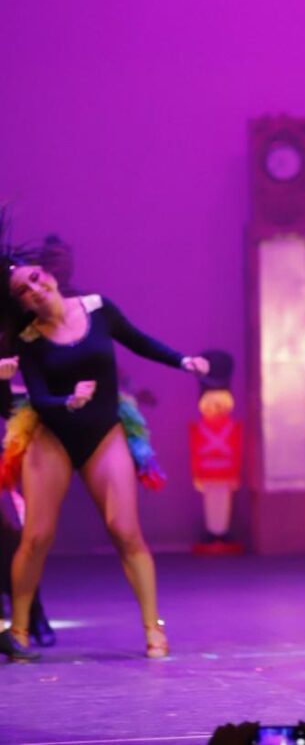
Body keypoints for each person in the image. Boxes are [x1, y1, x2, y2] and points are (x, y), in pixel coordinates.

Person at [0, 238, 208, 662]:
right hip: (52, 434)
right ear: (21, 304)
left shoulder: (97, 308)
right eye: (23, 290)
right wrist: (68, 401)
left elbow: (139, 340)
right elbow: (38, 397)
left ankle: (154, 629)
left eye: (36, 279)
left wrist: (183, 361)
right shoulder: (28, 339)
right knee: (37, 535)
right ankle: (19, 630)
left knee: (125, 530)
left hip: (104, 432)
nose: (34, 290)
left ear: (51, 277)